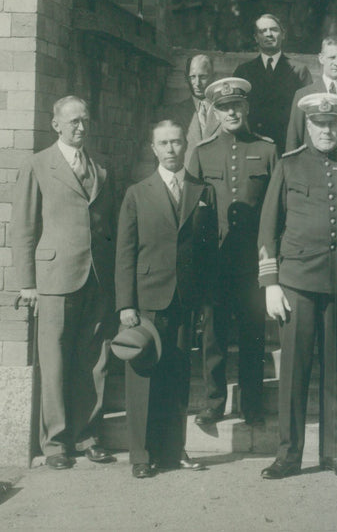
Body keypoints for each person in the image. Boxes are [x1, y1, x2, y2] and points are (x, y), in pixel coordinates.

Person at [257, 93, 337, 480]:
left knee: (335, 373)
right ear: (308, 125)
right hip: (296, 283)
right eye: (319, 123)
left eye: (332, 123)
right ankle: (288, 455)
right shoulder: (289, 164)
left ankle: (333, 453)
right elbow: (268, 228)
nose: (326, 130)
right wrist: (270, 284)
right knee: (294, 373)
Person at [11, 95, 115, 469]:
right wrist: (27, 283)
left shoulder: (102, 166)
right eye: (73, 122)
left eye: (85, 120)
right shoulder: (38, 165)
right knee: (54, 361)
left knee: (94, 361)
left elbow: (109, 226)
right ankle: (55, 444)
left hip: (97, 278)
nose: (81, 128)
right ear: (56, 124)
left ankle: (89, 436)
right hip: (53, 278)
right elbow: (24, 227)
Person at [115, 120, 218, 478]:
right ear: (153, 148)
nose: (172, 149)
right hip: (146, 299)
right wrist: (126, 304)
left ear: (186, 145)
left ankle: (173, 450)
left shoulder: (203, 191)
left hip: (186, 300)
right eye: (164, 143)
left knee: (178, 377)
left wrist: (205, 303)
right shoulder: (137, 193)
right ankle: (141, 457)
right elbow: (125, 254)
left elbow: (207, 255)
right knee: (143, 378)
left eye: (177, 142)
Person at [188, 78, 278, 427]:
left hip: (253, 263)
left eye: (237, 106)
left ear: (247, 108)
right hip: (215, 262)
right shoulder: (202, 152)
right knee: (213, 337)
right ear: (214, 111)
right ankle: (214, 402)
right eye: (224, 108)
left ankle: (252, 403)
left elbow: (276, 210)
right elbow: (194, 214)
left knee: (254, 336)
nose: (231, 112)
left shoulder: (268, 150)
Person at [233, 14, 312, 153]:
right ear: (256, 37)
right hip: (253, 145)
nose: (268, 34)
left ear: (283, 34)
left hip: (288, 146)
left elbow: (307, 113)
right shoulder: (243, 71)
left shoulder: (300, 71)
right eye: (263, 31)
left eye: (274, 29)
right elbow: (235, 110)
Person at [285, 36, 337, 151]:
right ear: (321, 58)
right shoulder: (303, 95)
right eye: (332, 57)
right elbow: (294, 138)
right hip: (311, 164)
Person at [168, 54, 220, 164]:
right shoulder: (175, 112)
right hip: (187, 177)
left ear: (213, 77)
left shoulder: (225, 110)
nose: (197, 83)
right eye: (193, 77)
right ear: (187, 78)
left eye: (203, 77)